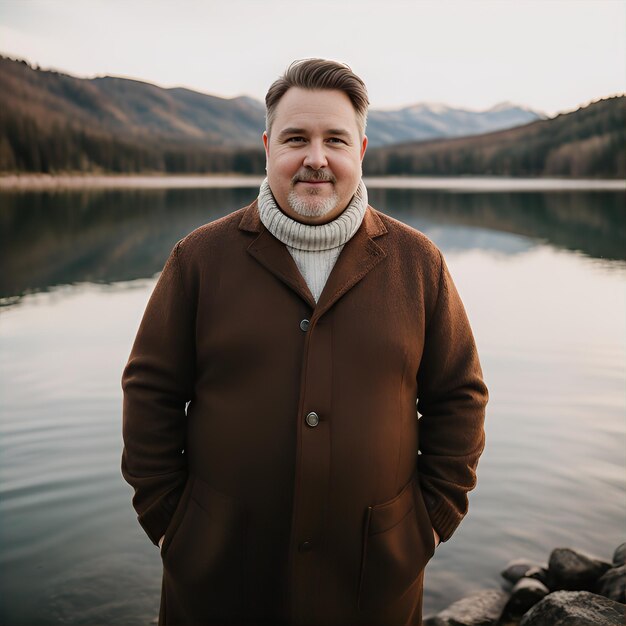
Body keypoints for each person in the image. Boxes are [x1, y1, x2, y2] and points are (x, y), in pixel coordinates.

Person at [121, 58, 488, 626]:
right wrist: (172, 520)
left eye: (334, 140)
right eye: (297, 138)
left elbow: (460, 397)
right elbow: (150, 393)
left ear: (360, 151)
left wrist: (428, 521)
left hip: (374, 578)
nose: (316, 157)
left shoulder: (420, 265)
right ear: (268, 146)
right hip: (218, 576)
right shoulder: (199, 258)